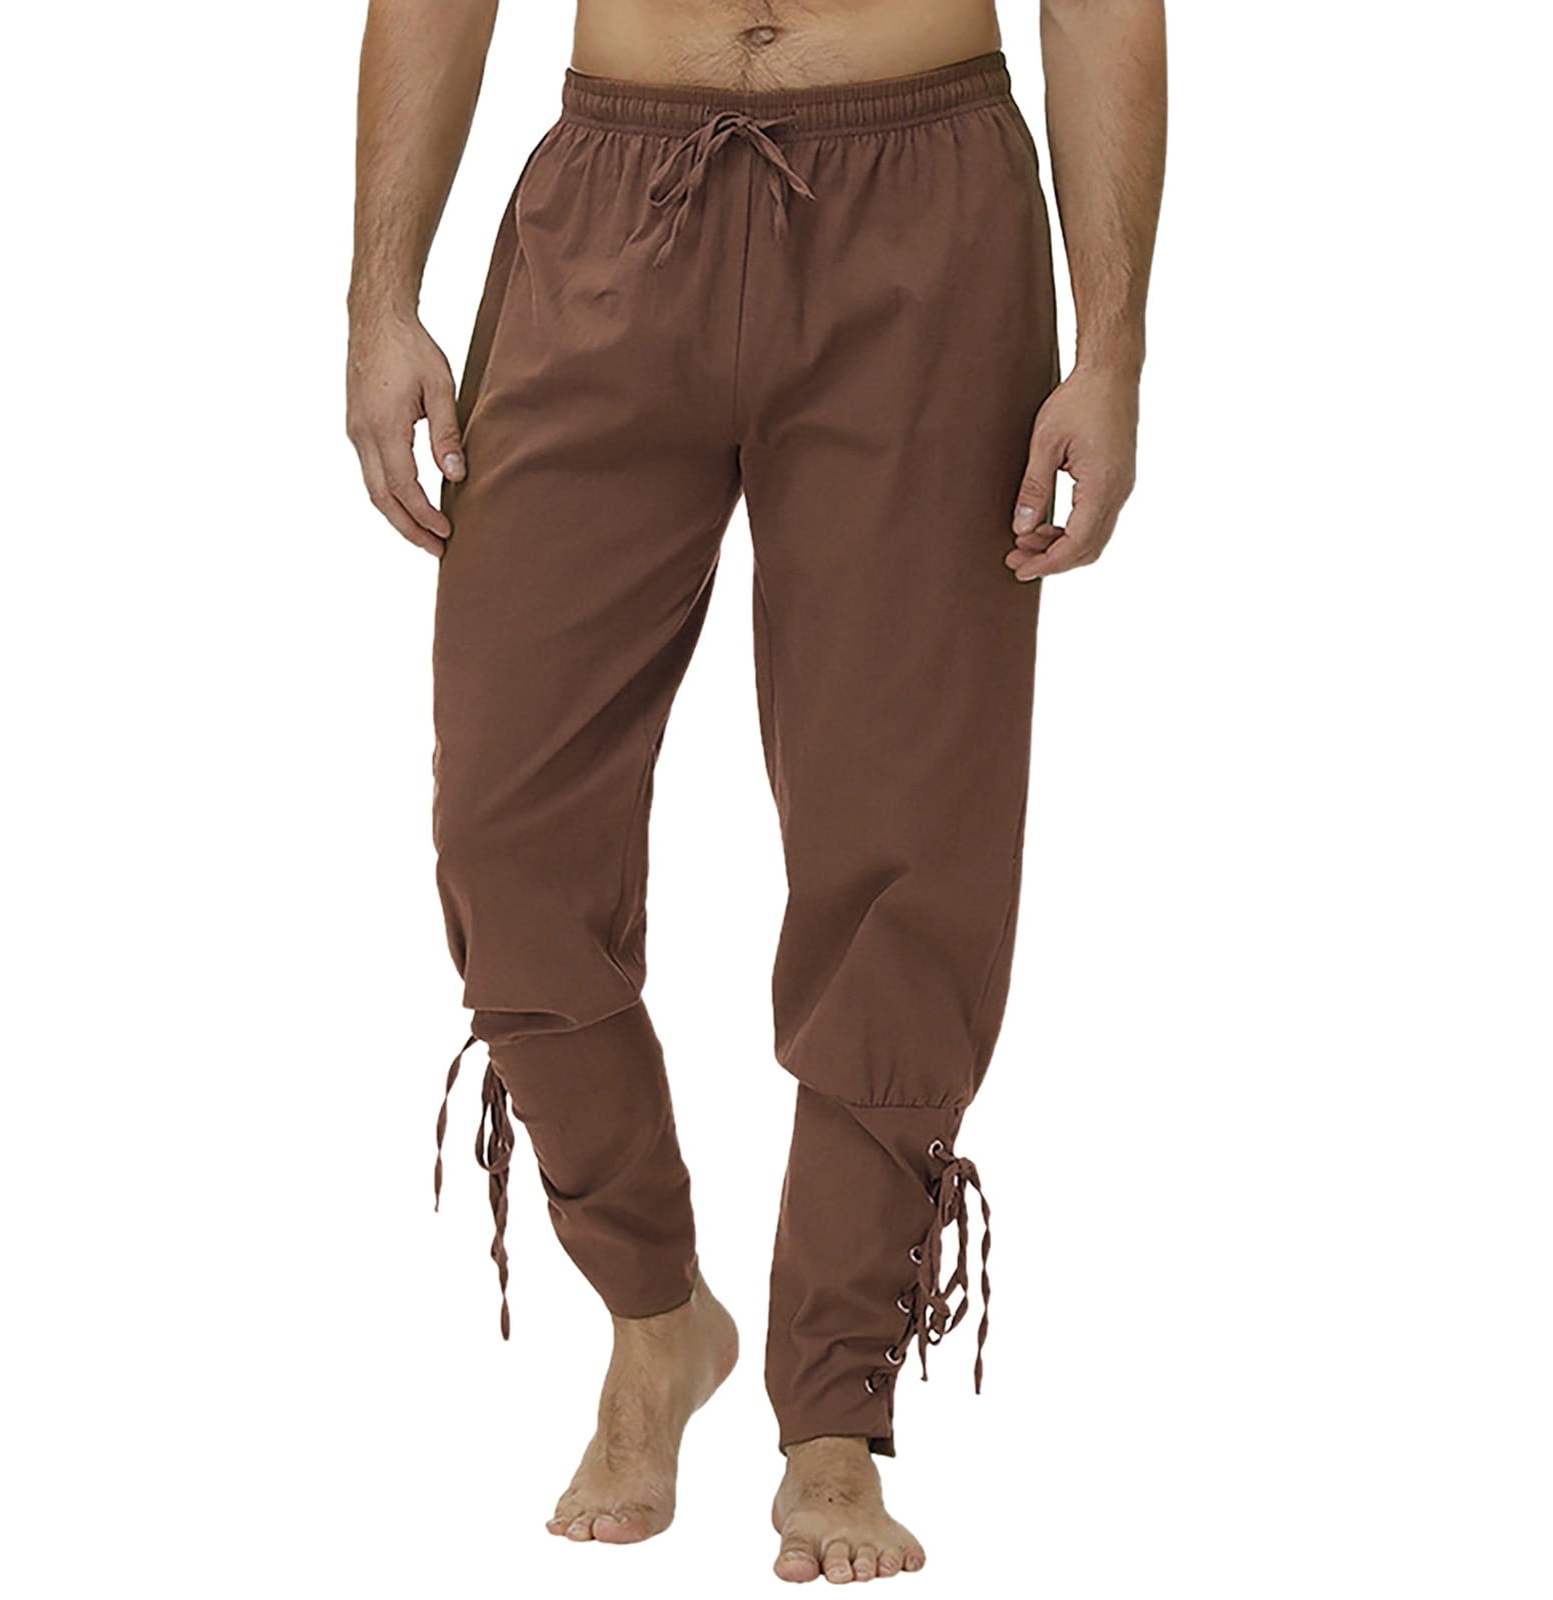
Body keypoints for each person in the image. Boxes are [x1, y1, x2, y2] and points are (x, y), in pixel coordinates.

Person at [346, 0, 1164, 1582]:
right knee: (507, 831)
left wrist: (1113, 349)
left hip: (925, 201)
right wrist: (381, 301)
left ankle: (834, 1411)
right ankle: (656, 1314)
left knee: (909, 830)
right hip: (612, 196)